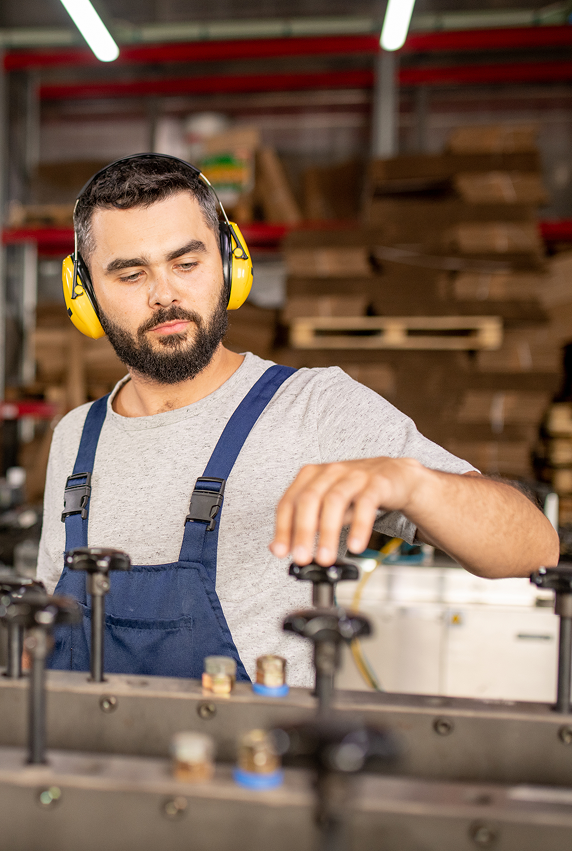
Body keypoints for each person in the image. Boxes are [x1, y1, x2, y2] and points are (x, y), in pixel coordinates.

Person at [37, 154, 559, 687]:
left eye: (187, 264)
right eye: (131, 273)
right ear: (83, 293)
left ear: (230, 262)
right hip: (90, 755)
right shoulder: (76, 437)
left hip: (255, 761)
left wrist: (412, 482)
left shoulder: (315, 407)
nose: (164, 293)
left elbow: (534, 547)